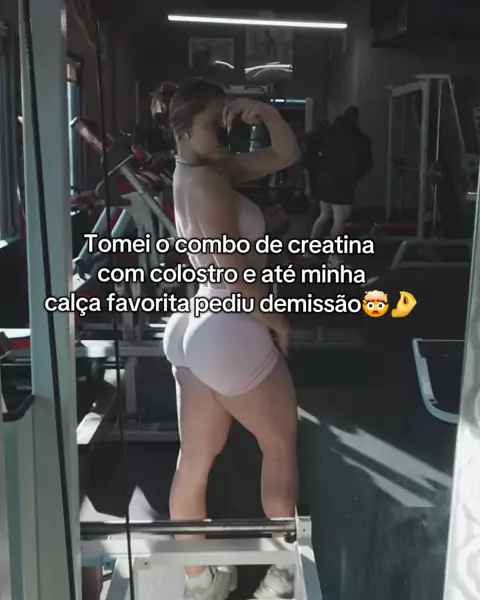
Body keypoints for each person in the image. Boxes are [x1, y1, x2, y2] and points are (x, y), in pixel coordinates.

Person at [163, 79, 301, 600]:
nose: (223, 133)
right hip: (228, 322)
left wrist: (265, 114)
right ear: (182, 129)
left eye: (226, 123)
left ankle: (200, 583)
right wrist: (275, 319)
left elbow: (285, 154)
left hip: (195, 322)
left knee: (193, 463)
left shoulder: (197, 170)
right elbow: (235, 270)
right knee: (279, 445)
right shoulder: (212, 183)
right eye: (212, 124)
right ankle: (282, 578)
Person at [304, 106, 373, 267]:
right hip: (343, 182)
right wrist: (355, 174)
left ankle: (310, 251)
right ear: (356, 118)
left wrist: (317, 171)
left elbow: (309, 149)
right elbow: (366, 165)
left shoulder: (327, 133)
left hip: (324, 180)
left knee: (324, 216)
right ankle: (333, 257)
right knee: (340, 220)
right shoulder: (360, 139)